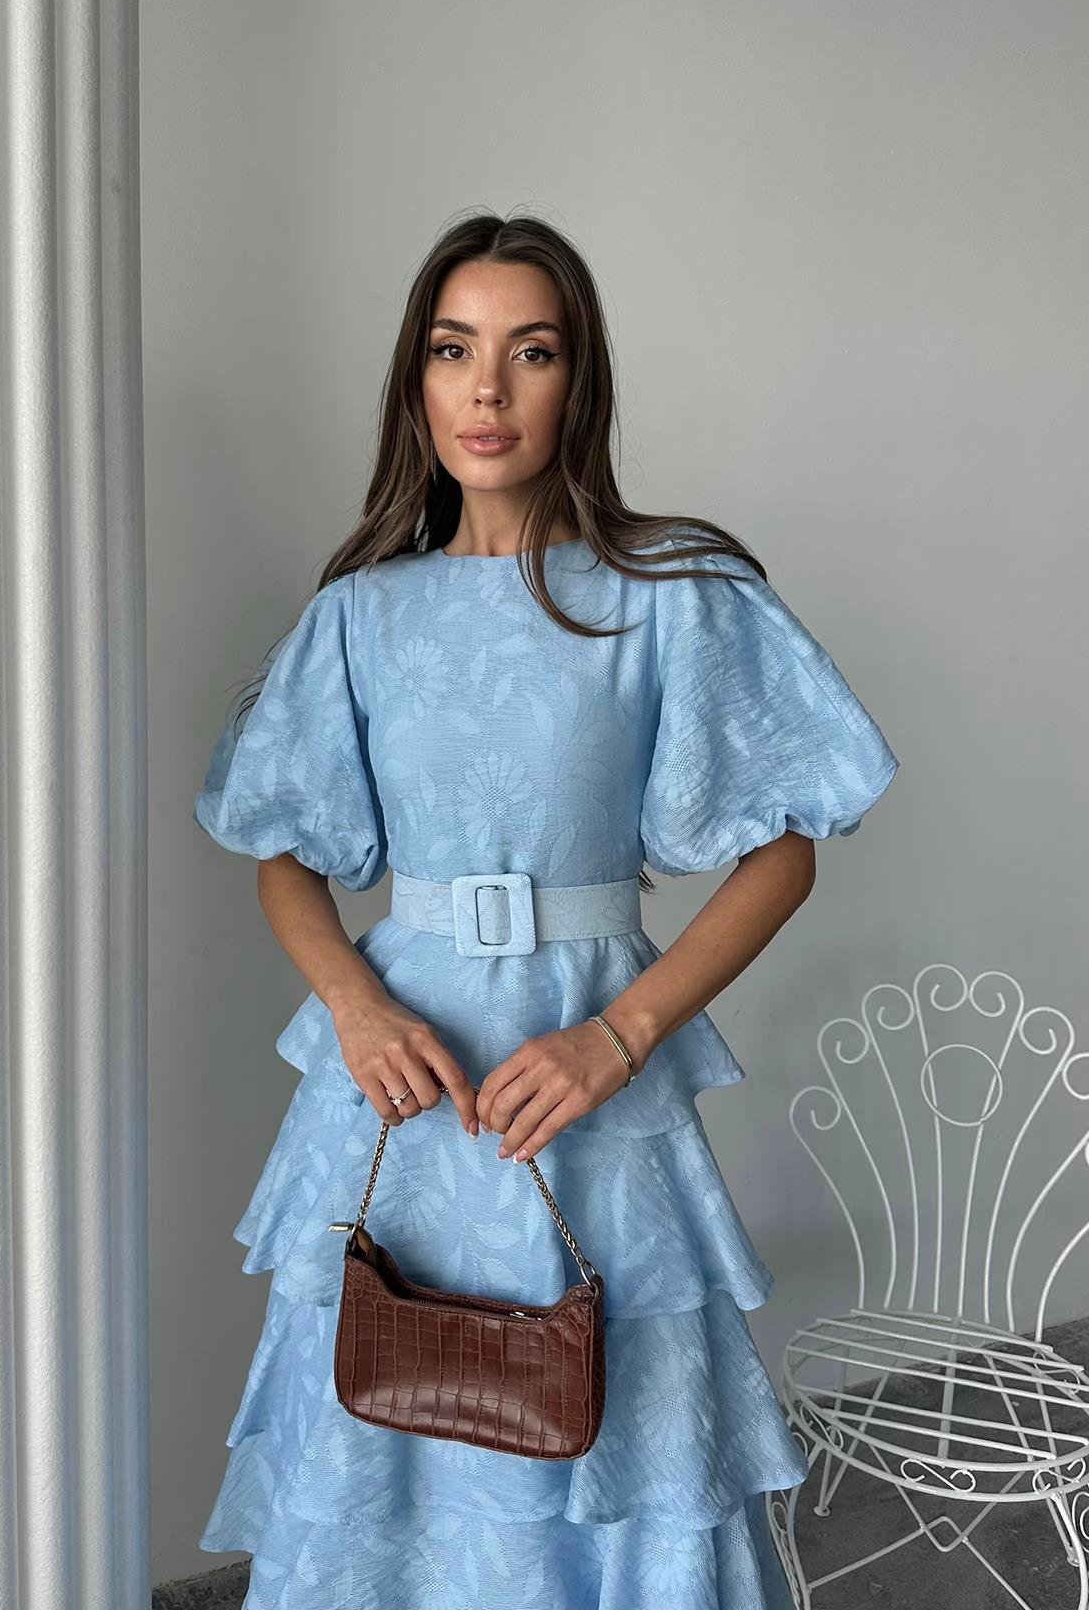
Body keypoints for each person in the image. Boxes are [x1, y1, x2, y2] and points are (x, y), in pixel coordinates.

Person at [191, 212, 900, 1610]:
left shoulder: (671, 594)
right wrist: (355, 1007)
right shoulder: (360, 618)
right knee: (385, 1420)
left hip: (587, 1076)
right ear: (416, 380)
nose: (488, 390)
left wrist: (616, 1039)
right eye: (454, 350)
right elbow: (285, 854)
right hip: (402, 1090)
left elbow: (786, 851)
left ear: (581, 382)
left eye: (532, 352)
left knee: (617, 1422)